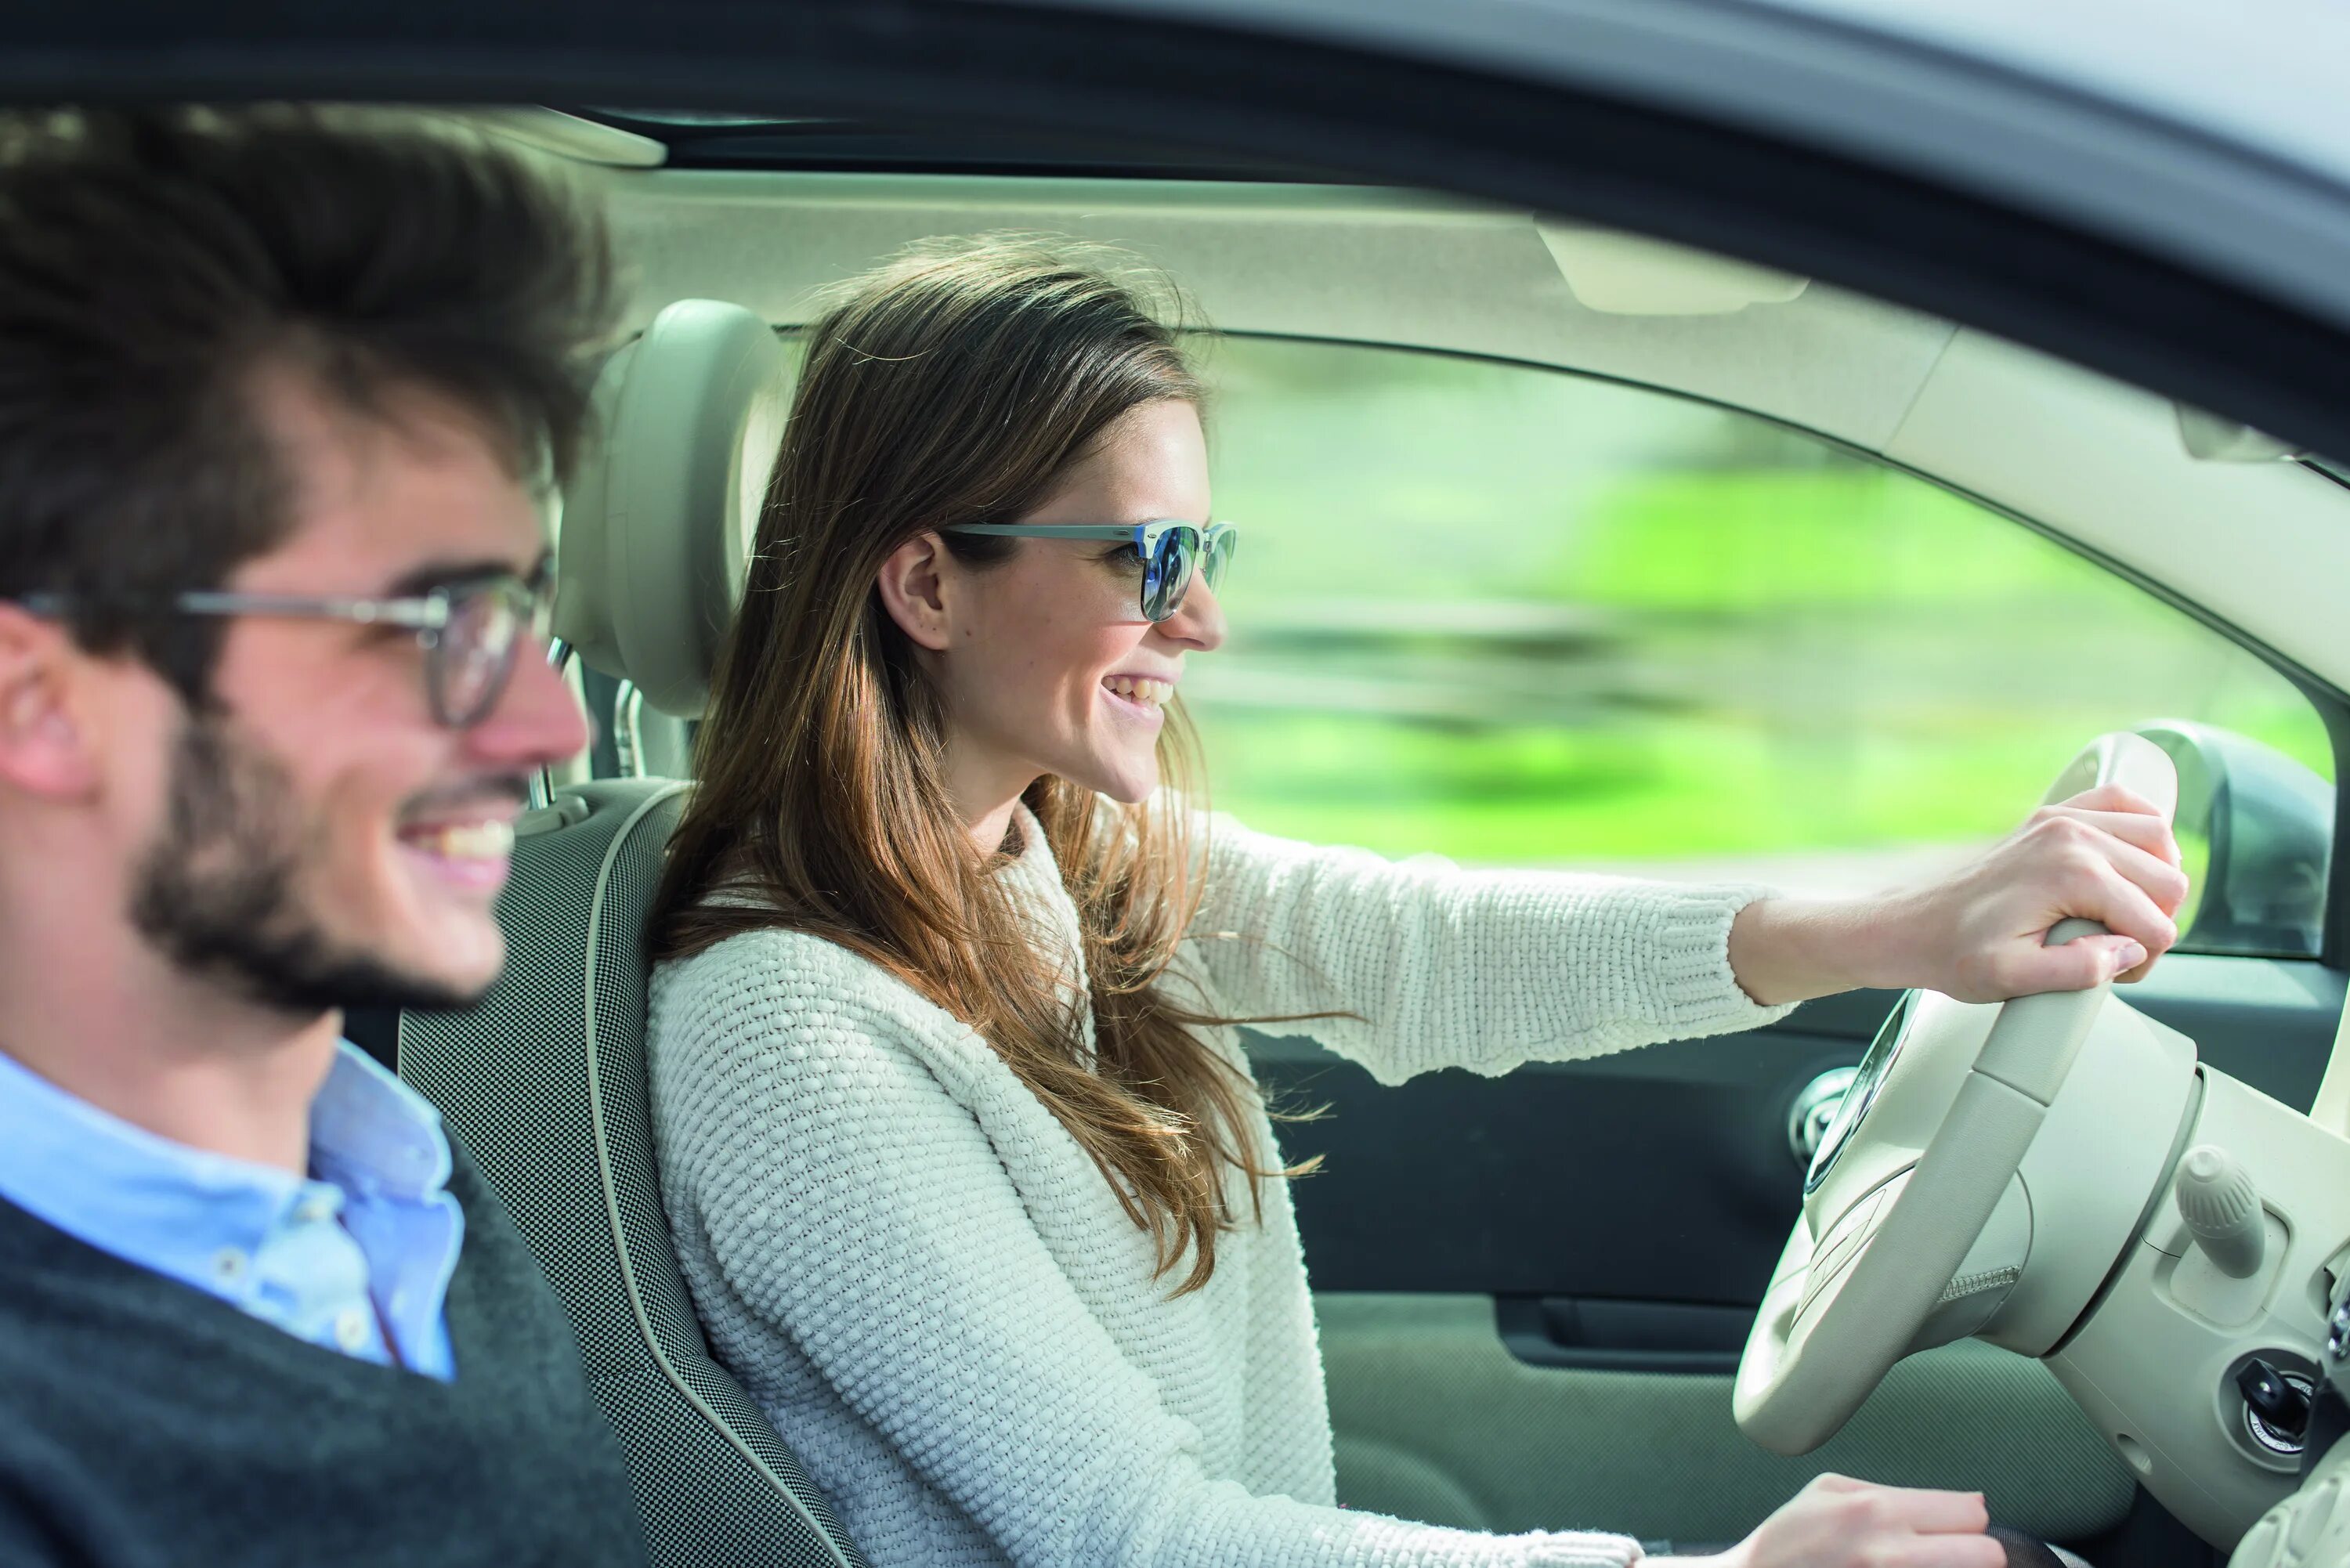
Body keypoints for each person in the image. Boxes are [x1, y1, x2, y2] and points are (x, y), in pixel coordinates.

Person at [645, 238, 2186, 1568]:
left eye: (1208, 548)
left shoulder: (1044, 855)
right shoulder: (789, 1033)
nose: (1206, 618)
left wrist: (1906, 924)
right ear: (925, 586)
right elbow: (1136, 1539)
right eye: (1148, 556)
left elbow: (1428, 948)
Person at [0, 107, 647, 1566]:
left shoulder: (407, 1195)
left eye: (523, 613)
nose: (548, 727)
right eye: (435, 622)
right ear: (42, 702)